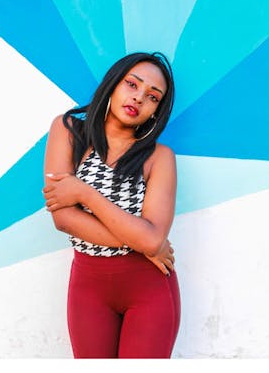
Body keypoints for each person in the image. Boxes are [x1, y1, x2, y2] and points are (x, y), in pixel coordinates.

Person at [42, 52, 180, 359]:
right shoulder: (67, 131)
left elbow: (153, 237)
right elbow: (63, 218)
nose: (139, 98)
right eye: (132, 84)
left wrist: (85, 193)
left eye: (153, 97)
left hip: (148, 287)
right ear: (113, 83)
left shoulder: (160, 158)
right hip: (88, 288)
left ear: (156, 112)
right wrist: (143, 241)